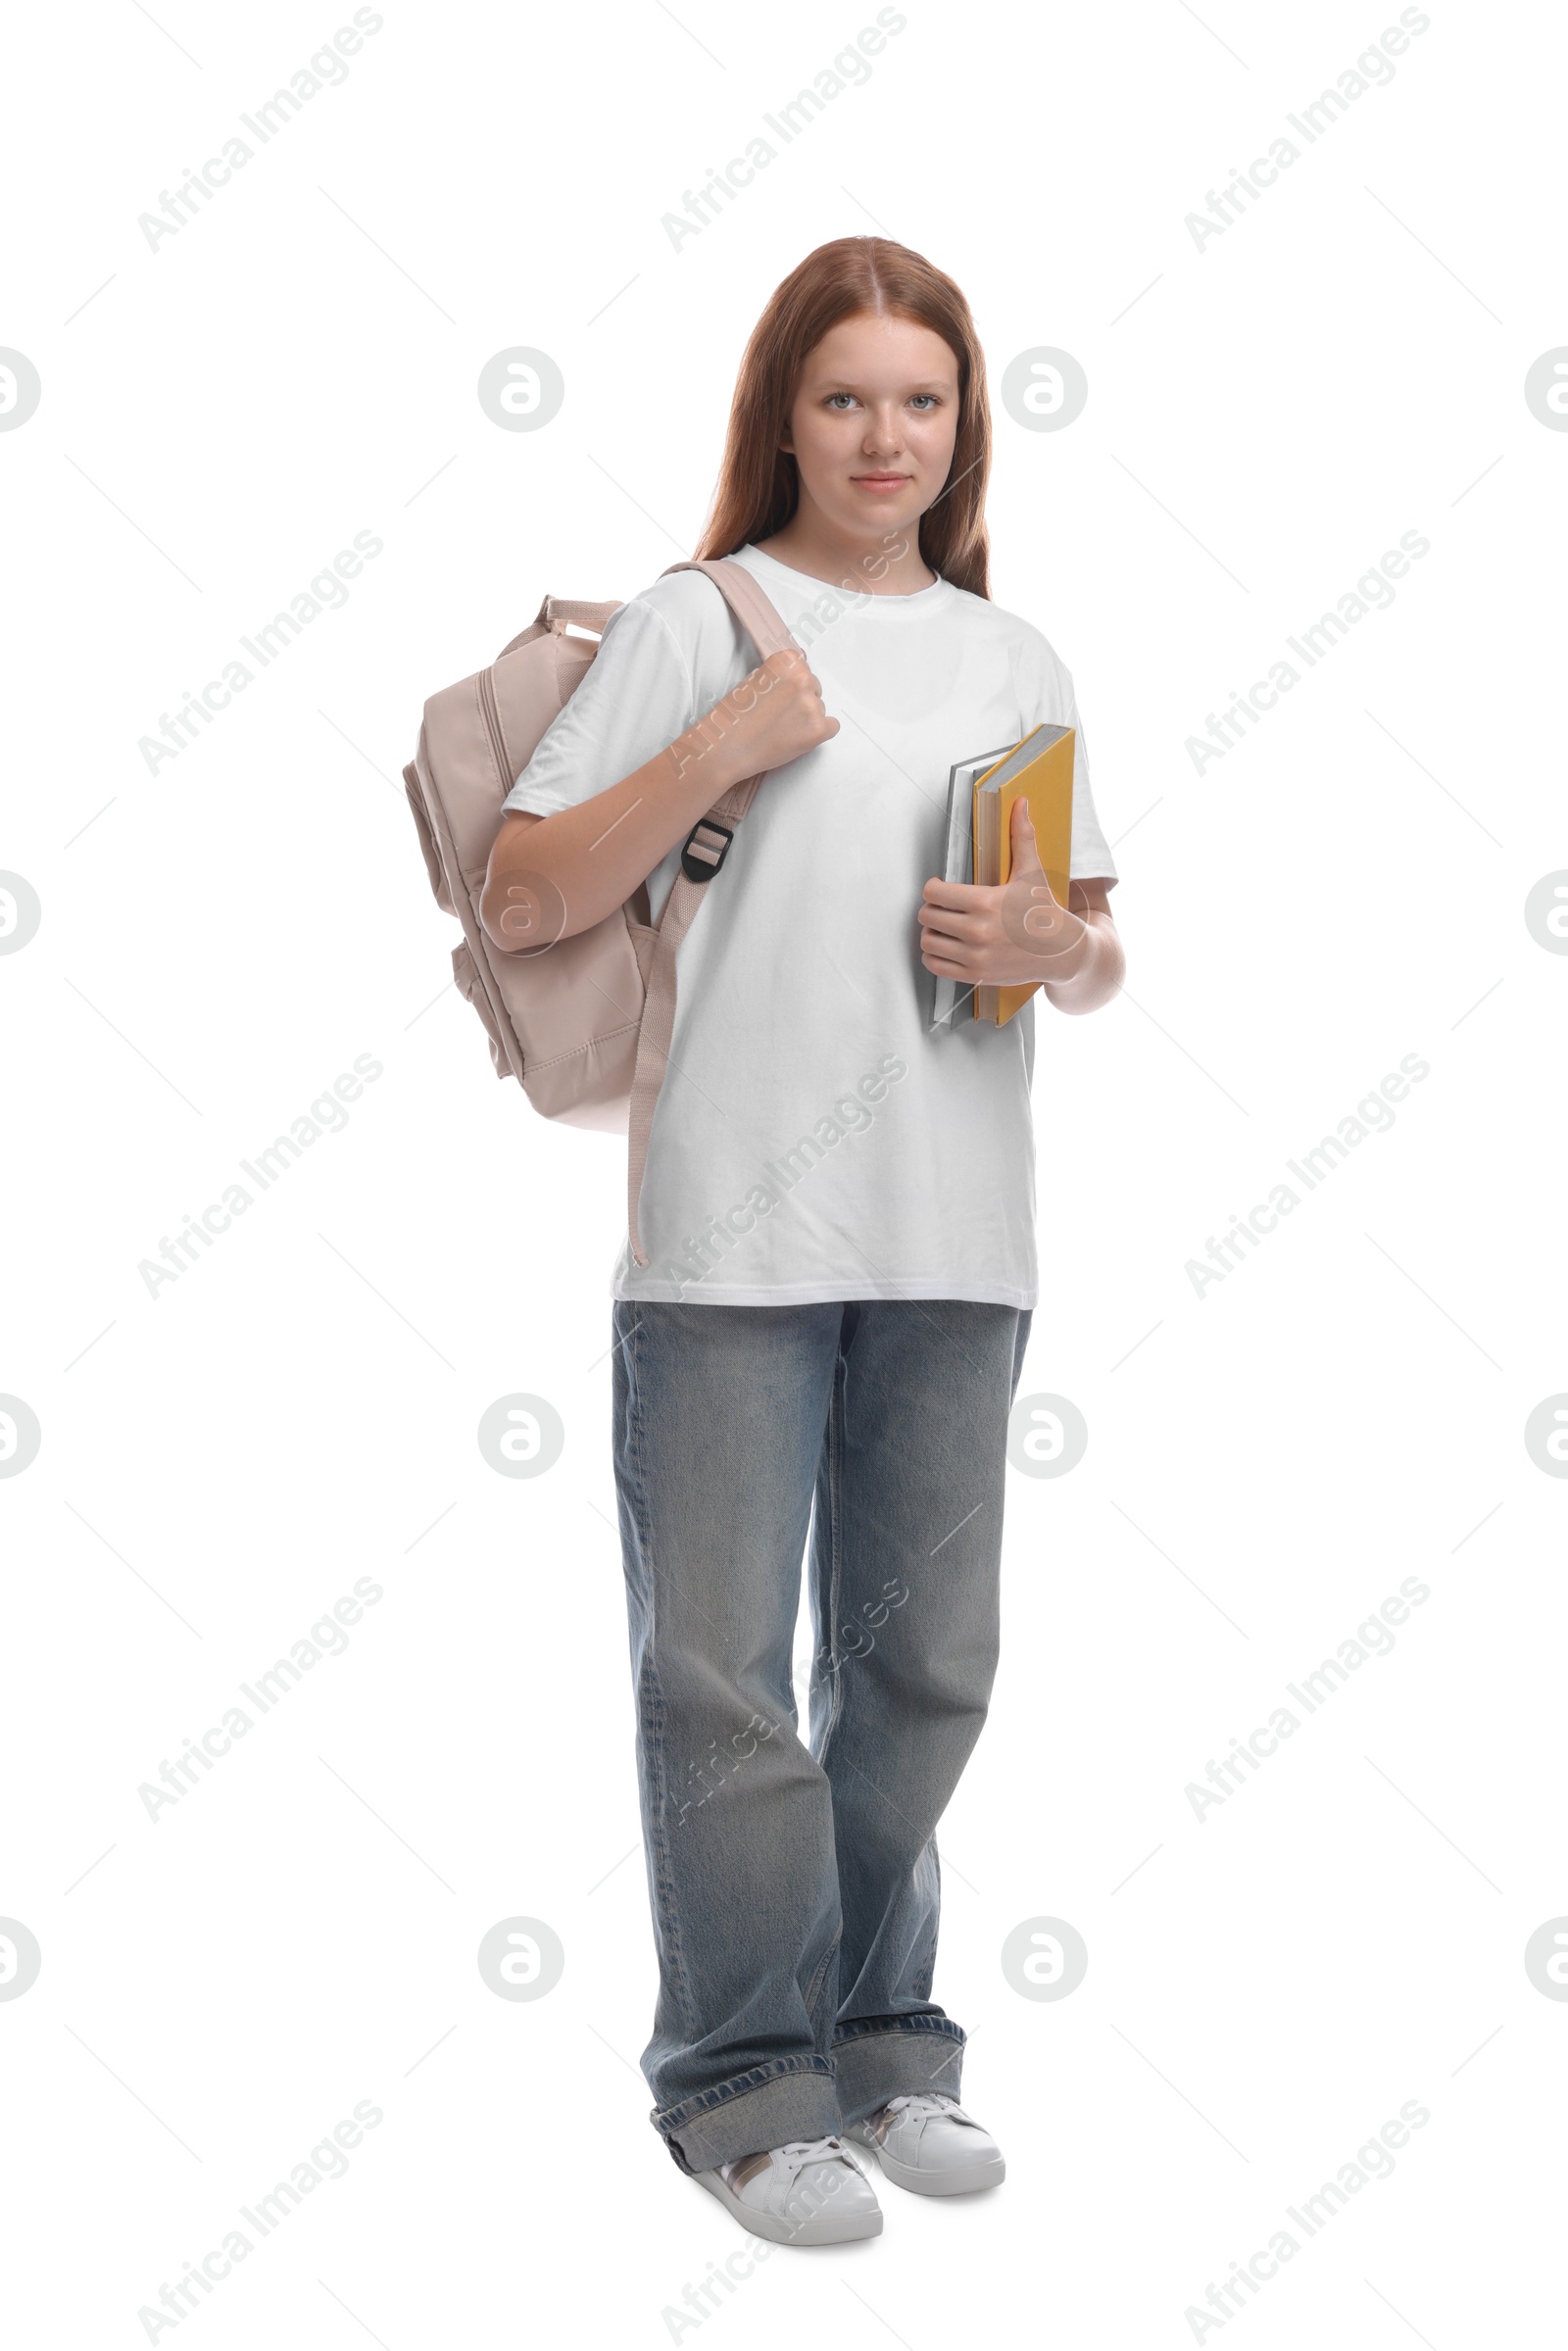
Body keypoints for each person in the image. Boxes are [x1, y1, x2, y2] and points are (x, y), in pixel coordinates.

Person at [480, 236, 1124, 2245]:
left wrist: (1059, 947)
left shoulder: (1010, 658)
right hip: (728, 1238)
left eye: (918, 400)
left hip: (956, 1228)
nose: (882, 436)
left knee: (920, 1663)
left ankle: (882, 2043)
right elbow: (521, 896)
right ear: (783, 411)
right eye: (843, 396)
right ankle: (744, 2089)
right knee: (723, 1683)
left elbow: (1077, 947)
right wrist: (723, 743)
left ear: (962, 427)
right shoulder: (705, 622)